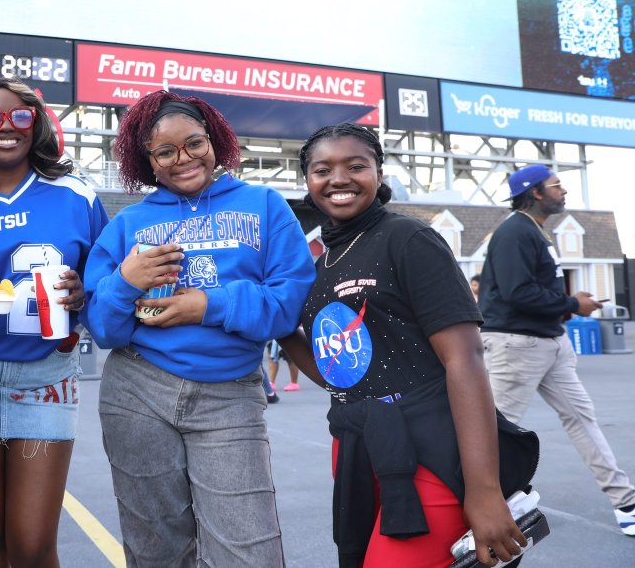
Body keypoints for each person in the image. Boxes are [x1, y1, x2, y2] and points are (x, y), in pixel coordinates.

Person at [281, 123, 539, 567]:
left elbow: (464, 358)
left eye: (355, 166)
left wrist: (484, 490)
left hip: (428, 445)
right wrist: (280, 330)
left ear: (379, 173)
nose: (338, 179)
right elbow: (342, 373)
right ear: (308, 182)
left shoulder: (408, 239)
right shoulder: (321, 264)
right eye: (322, 169)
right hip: (357, 444)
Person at [81, 91, 315, 566]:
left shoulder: (265, 205)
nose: (183, 159)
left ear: (216, 140)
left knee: (248, 552)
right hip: (137, 391)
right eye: (165, 152)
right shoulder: (130, 222)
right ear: (147, 160)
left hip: (229, 393)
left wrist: (208, 305)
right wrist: (126, 283)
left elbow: (287, 305)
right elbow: (104, 328)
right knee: (156, 550)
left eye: (194, 143)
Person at [0, 76, 108, 566]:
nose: (5, 127)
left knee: (32, 544)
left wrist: (84, 294)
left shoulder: (75, 194)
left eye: (20, 116)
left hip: (45, 379)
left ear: (37, 125)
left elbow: (106, 283)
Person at [479, 164, 635, 536]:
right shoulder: (514, 231)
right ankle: (473, 506)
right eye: (556, 185)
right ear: (535, 192)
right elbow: (518, 293)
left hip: (550, 341)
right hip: (517, 344)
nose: (563, 191)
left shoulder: (535, 231)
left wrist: (571, 304)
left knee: (582, 419)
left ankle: (626, 503)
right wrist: (570, 304)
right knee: (496, 432)